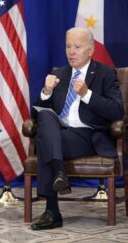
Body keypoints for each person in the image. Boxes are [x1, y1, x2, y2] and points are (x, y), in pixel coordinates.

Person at [31, 27, 124, 230]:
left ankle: (52, 211)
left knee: (44, 141)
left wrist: (87, 94)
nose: (71, 52)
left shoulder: (106, 74)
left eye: (77, 47)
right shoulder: (59, 74)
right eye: (68, 46)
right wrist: (46, 92)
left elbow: (117, 111)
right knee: (46, 117)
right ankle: (59, 173)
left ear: (90, 50)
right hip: (60, 134)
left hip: (87, 136)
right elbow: (35, 115)